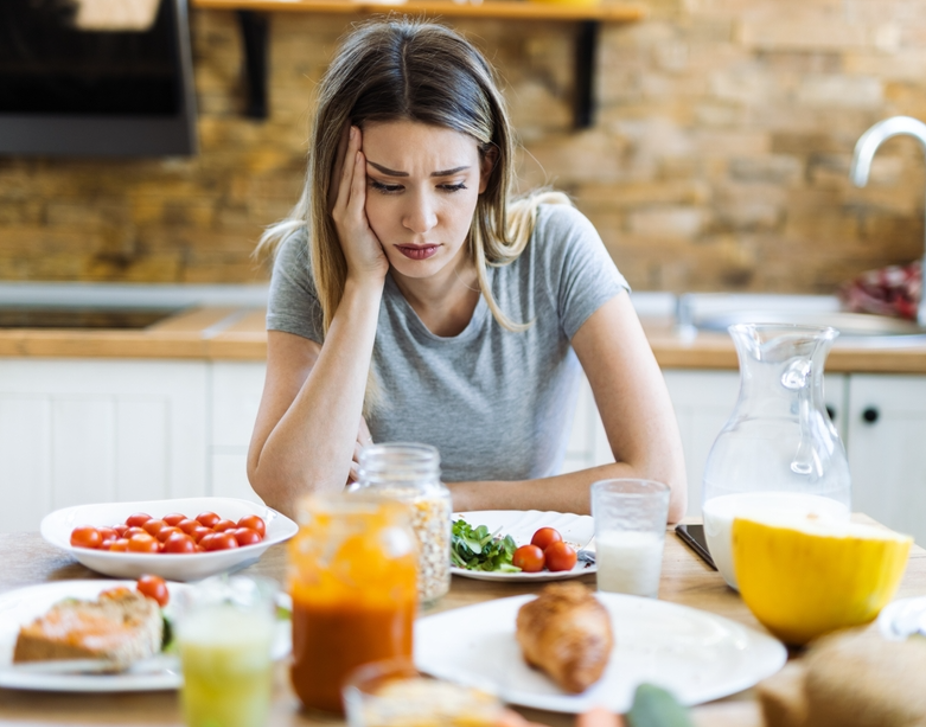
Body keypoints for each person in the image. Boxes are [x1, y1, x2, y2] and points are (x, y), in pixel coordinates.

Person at [247, 18, 687, 522]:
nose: (420, 220)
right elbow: (293, 494)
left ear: (486, 171)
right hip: (373, 576)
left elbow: (662, 486)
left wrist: (437, 499)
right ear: (340, 176)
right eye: (387, 185)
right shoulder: (311, 262)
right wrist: (362, 287)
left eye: (449, 184)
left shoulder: (556, 247)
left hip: (517, 573)